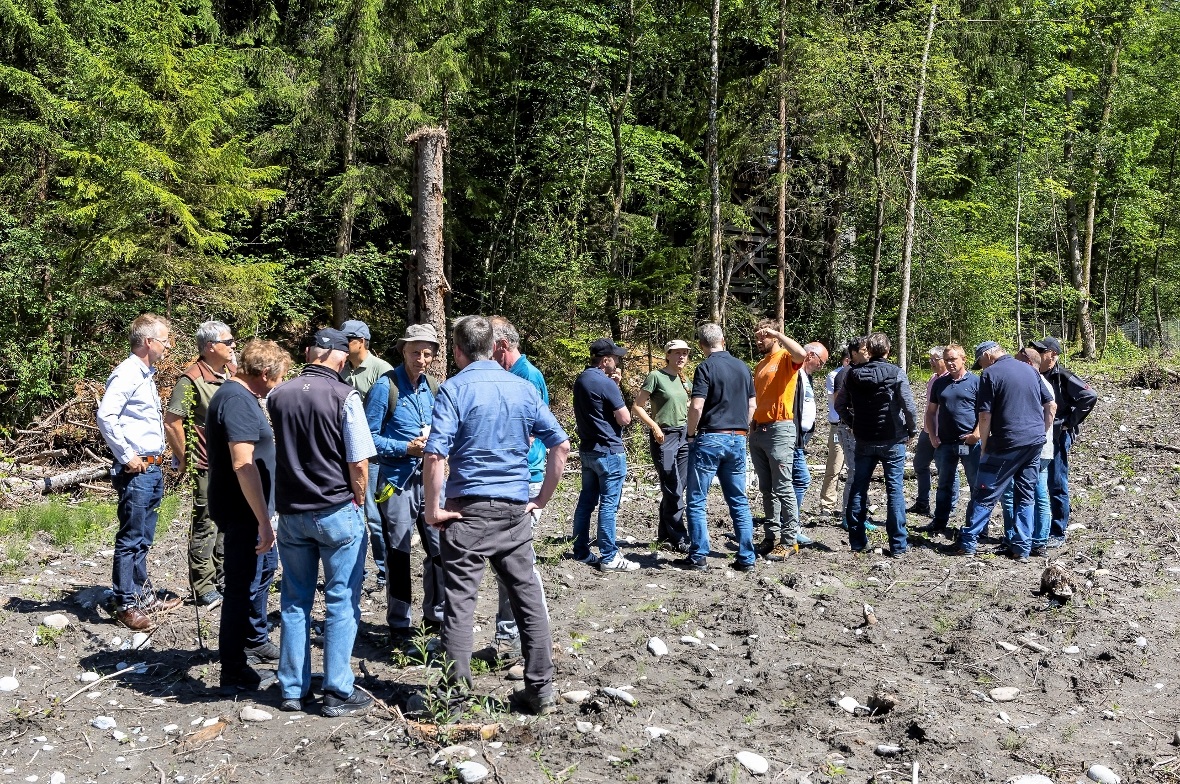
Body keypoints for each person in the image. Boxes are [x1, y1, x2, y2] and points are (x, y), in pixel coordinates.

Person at [423, 315, 571, 715]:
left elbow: (435, 455)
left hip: (467, 511)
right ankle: (540, 689)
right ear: (493, 347)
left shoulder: (454, 389)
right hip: (512, 511)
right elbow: (560, 446)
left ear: (457, 351)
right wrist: (541, 499)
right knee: (527, 598)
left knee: (460, 603)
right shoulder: (523, 388)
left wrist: (432, 509)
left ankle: (455, 698)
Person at [269, 328, 377, 717]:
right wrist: (359, 499)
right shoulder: (344, 396)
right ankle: (337, 690)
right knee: (341, 600)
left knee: (294, 601)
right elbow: (358, 460)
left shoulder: (278, 395)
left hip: (292, 512)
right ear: (339, 357)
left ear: (309, 353)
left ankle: (292, 689)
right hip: (335, 509)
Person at [205, 339, 291, 692]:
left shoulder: (241, 396)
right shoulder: (237, 400)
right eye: (279, 377)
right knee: (240, 586)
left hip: (251, 510)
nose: (280, 383)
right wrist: (263, 521)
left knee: (261, 573)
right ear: (265, 373)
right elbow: (243, 463)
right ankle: (233, 669)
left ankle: (253, 641)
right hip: (243, 511)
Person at [96, 313, 183, 631]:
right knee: (131, 538)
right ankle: (125, 604)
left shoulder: (145, 375)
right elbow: (106, 416)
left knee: (143, 537)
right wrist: (127, 456)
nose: (168, 346)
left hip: (151, 468)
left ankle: (142, 596)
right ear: (148, 342)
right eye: (165, 340)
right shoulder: (127, 373)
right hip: (137, 469)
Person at [364, 324, 445, 647]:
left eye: (427, 354)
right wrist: (404, 449)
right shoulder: (386, 387)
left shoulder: (433, 388)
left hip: (430, 480)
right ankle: (399, 625)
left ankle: (435, 618)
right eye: (415, 353)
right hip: (396, 482)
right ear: (403, 352)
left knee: (439, 549)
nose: (420, 359)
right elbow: (367, 438)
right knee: (398, 552)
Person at [953, 341, 1055, 560]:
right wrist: (1042, 431)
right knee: (1025, 495)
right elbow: (1051, 406)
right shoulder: (1030, 370)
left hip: (1006, 441)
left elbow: (985, 416)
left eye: (980, 362)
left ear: (988, 356)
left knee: (986, 491)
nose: (981, 366)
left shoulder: (990, 374)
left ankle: (968, 542)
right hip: (1034, 443)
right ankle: (1021, 548)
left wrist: (984, 446)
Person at [489, 316, 553, 664]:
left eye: (488, 346)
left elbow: (528, 433)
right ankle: (510, 638)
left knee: (518, 564)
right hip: (511, 477)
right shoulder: (506, 374)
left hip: (526, 477)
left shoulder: (527, 376)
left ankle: (529, 643)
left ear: (501, 346)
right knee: (507, 562)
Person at [163, 321, 234, 610]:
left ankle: (224, 577)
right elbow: (172, 421)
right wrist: (184, 458)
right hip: (206, 463)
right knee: (206, 523)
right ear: (210, 347)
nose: (233, 346)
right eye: (228, 342)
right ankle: (204, 587)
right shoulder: (191, 380)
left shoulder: (230, 373)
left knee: (228, 523)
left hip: (233, 464)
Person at [675, 323, 757, 572]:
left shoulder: (705, 367)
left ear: (701, 345)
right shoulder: (743, 367)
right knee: (738, 499)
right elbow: (752, 405)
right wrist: (743, 430)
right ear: (723, 340)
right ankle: (747, 557)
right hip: (737, 437)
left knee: (697, 499)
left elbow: (697, 406)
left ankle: (699, 554)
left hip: (711, 437)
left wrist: (690, 434)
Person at [835, 332, 918, 557]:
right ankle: (898, 545)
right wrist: (912, 430)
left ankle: (857, 541)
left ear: (869, 351)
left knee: (858, 488)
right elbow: (909, 406)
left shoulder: (852, 374)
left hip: (864, 439)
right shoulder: (896, 372)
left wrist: (853, 423)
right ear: (888, 351)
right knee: (894, 489)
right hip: (892, 439)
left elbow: (840, 405)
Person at [571, 338, 638, 571]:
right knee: (609, 505)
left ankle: (580, 551)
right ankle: (609, 556)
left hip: (588, 450)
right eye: (615, 358)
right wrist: (615, 387)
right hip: (609, 451)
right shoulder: (606, 383)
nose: (617, 362)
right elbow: (625, 418)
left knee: (586, 502)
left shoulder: (581, 379)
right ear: (606, 360)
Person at [339, 319, 395, 588]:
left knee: (374, 516)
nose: (342, 344)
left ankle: (385, 571)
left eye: (347, 339)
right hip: (345, 451)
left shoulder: (382, 370)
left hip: (372, 454)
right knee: (350, 514)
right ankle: (356, 571)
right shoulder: (341, 368)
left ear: (361, 341)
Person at [748, 321, 809, 559]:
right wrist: (752, 422)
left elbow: (801, 354)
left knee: (783, 486)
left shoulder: (785, 358)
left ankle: (789, 540)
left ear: (774, 336)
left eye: (763, 336)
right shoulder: (760, 364)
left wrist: (778, 334)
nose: (759, 341)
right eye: (756, 337)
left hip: (780, 429)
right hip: (759, 430)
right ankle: (771, 536)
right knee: (766, 488)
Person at [1030, 337, 1097, 547]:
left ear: (1053, 355)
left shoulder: (1063, 376)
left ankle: (1058, 532)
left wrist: (1068, 422)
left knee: (1056, 481)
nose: (1037, 353)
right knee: (1035, 482)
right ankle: (1037, 529)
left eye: (1042, 351)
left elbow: (1089, 396)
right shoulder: (1034, 373)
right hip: (1037, 434)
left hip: (1058, 435)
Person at [632, 339, 693, 553]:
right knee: (673, 486)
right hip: (665, 440)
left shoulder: (684, 380)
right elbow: (637, 406)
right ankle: (680, 537)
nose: (681, 356)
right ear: (667, 355)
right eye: (677, 353)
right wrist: (654, 426)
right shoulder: (655, 376)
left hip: (684, 438)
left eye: (685, 353)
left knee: (677, 487)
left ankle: (664, 535)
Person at [919, 344, 980, 539]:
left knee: (976, 485)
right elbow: (930, 412)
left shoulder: (976, 382)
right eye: (946, 360)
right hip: (945, 443)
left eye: (953, 359)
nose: (950, 363)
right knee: (944, 484)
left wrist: (976, 434)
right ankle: (939, 522)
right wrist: (932, 435)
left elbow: (985, 412)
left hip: (970, 443)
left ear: (964, 359)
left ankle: (976, 526)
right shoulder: (940, 383)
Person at [1001, 346, 1056, 556]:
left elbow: (1051, 409)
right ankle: (1037, 541)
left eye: (1016, 360)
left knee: (1021, 494)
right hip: (1040, 447)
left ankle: (1019, 538)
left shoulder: (1031, 382)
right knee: (1038, 493)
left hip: (1031, 448)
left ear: (1026, 362)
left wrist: (1039, 434)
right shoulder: (1042, 383)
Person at [908, 347, 950, 516]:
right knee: (919, 464)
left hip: (943, 433)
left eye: (935, 359)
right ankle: (922, 503)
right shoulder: (933, 378)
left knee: (946, 470)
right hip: (928, 430)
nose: (931, 362)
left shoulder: (950, 379)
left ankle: (950, 508)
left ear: (944, 360)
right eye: (930, 359)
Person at [792, 342, 828, 518]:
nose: (821, 367)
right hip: (793, 437)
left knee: (792, 479)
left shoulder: (807, 377)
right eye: (821, 362)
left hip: (801, 437)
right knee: (802, 479)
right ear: (811, 355)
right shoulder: (796, 374)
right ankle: (791, 521)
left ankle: (787, 519)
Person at [817, 349, 850, 517]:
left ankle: (856, 504)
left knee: (857, 467)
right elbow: (839, 398)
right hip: (838, 425)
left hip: (855, 427)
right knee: (834, 465)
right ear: (846, 360)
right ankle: (827, 504)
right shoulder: (834, 376)